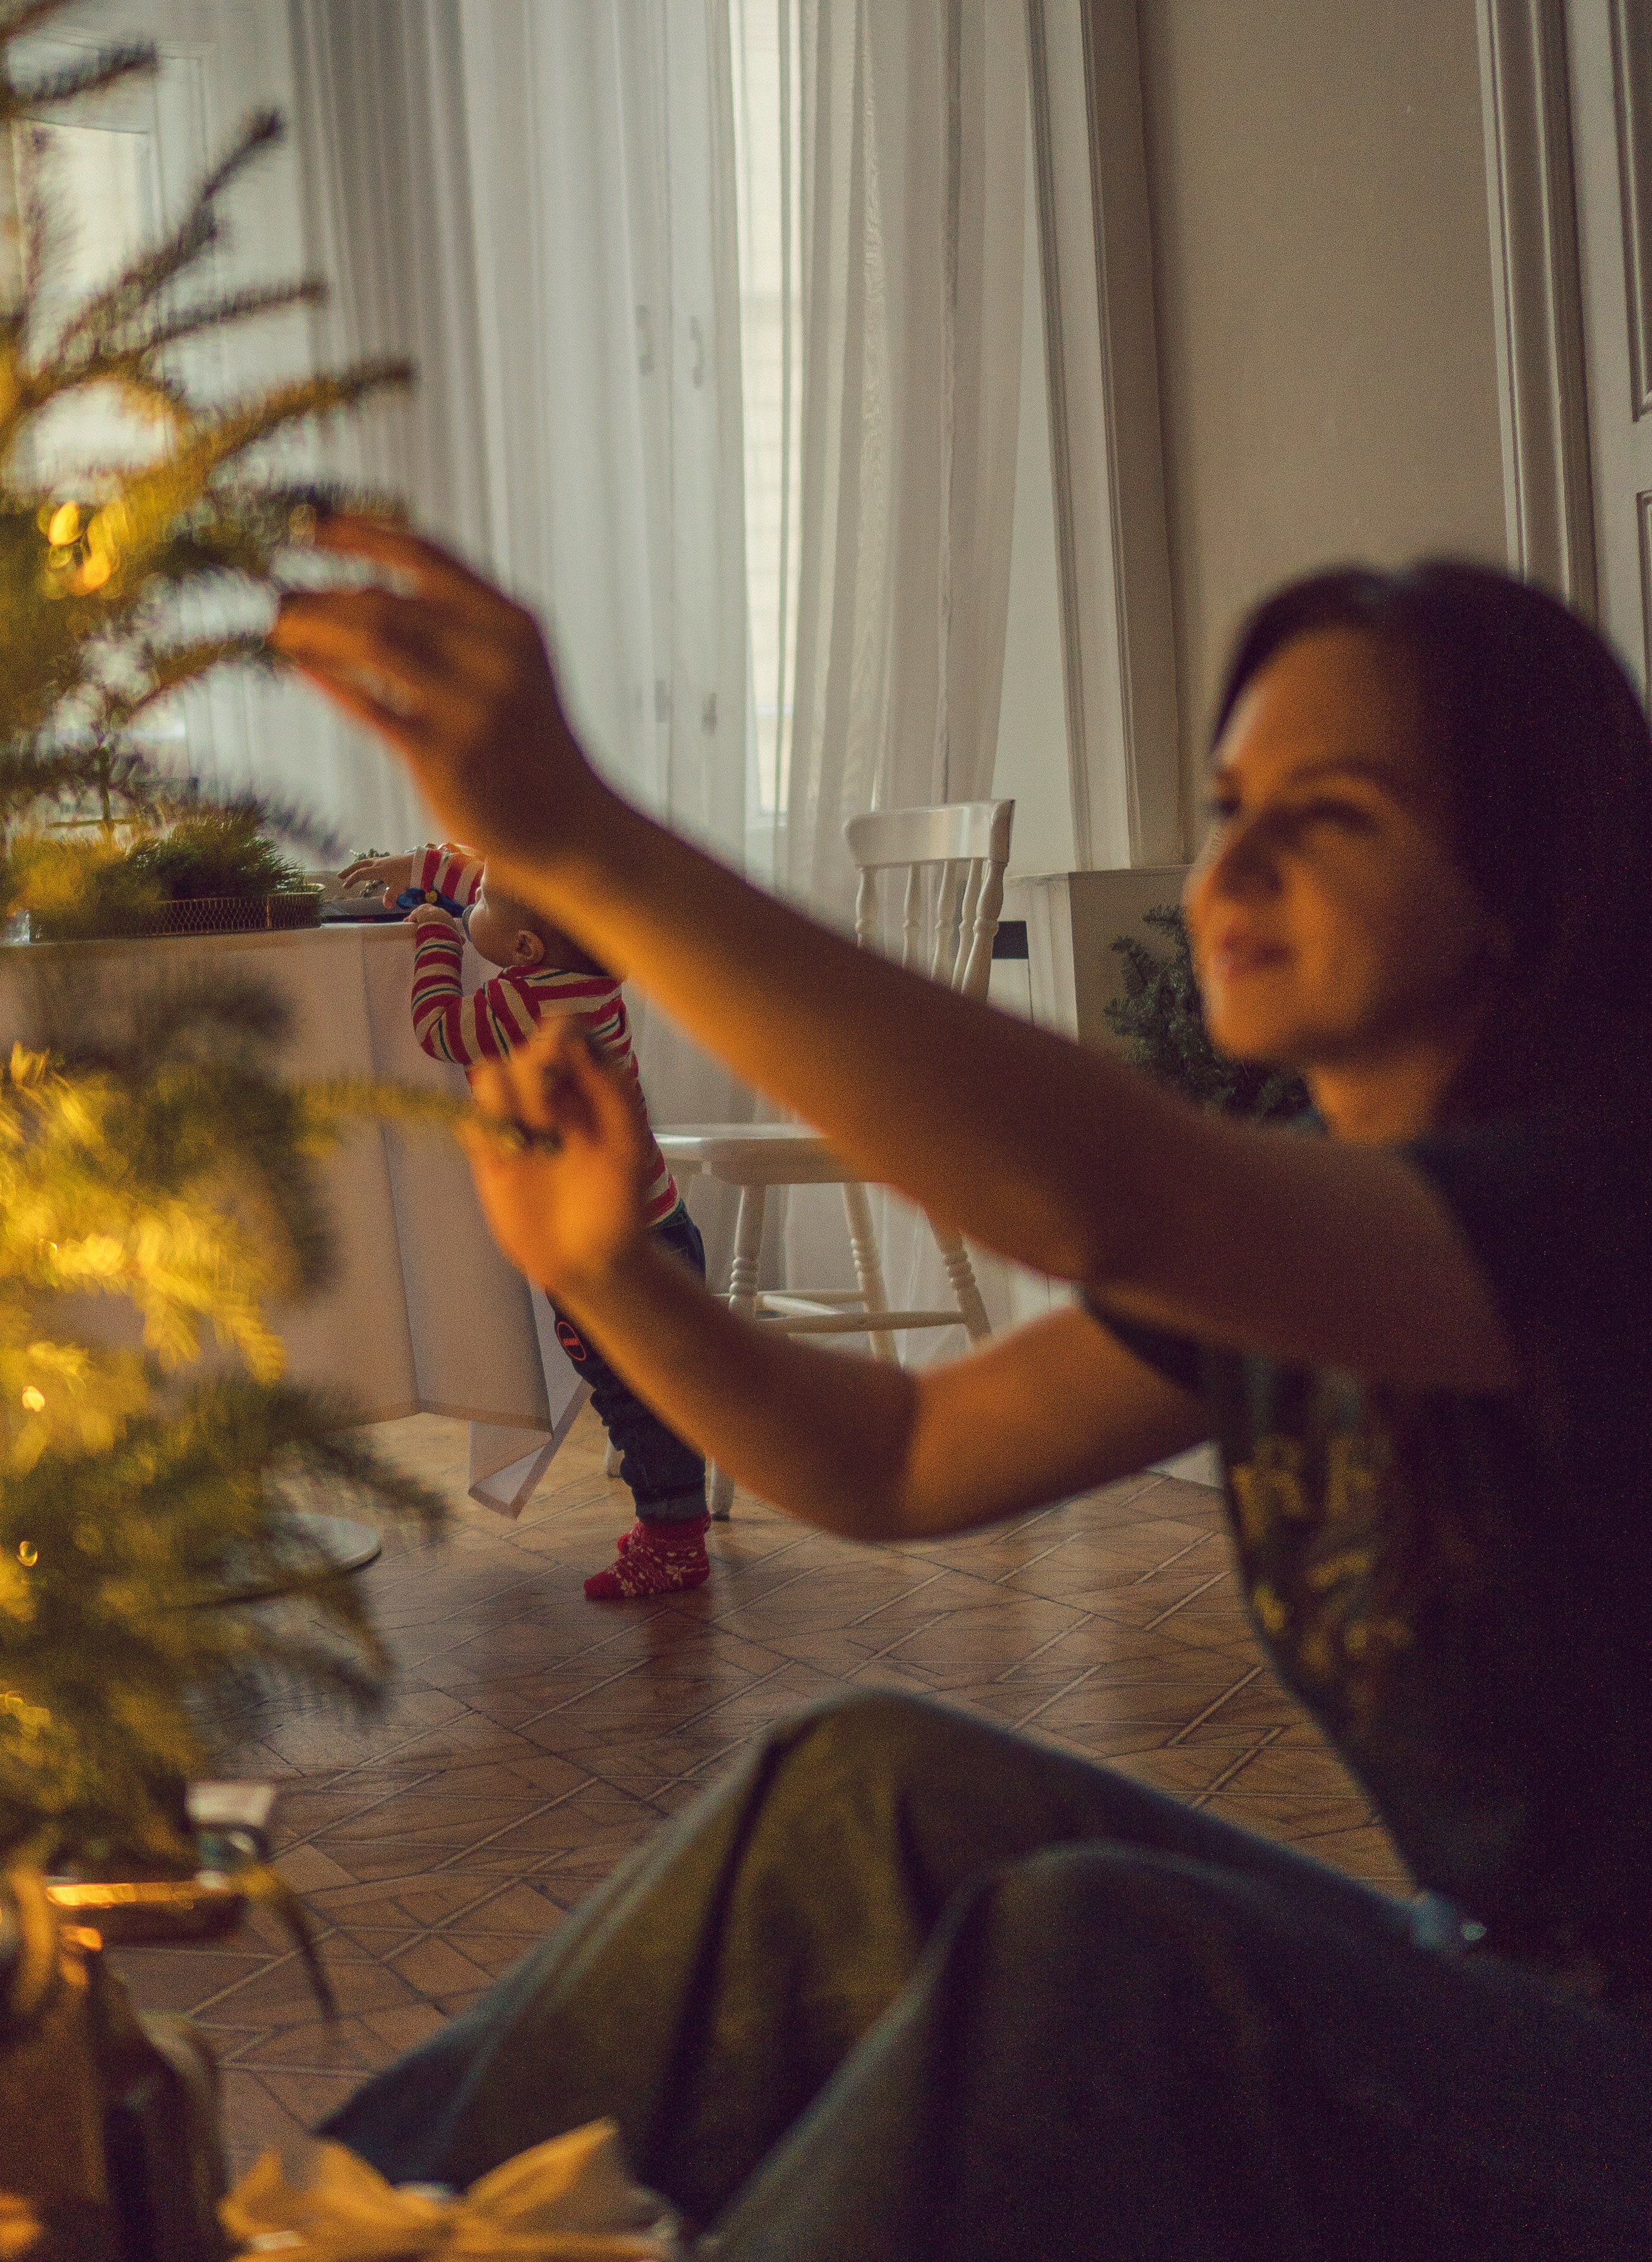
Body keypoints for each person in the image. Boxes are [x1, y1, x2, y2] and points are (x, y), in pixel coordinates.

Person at [274, 532, 1652, 2259]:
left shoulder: (1600, 1192)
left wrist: (584, 845)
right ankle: (293, 2234)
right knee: (871, 1786)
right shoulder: (1304, 1216)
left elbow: (1115, 1201)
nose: (1235, 868)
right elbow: (901, 1456)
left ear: (1528, 878)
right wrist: (607, 1275)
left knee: (1110, 1951)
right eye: (1232, 807)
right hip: (1492, 2008)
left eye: (1336, 813)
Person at [341, 836, 714, 1599]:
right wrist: (423, 874)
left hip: (610, 1250)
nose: (471, 902)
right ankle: (669, 1525)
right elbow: (494, 882)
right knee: (649, 1391)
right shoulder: (580, 971)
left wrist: (437, 933)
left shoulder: (530, 999)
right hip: (652, 1227)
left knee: (636, 1400)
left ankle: (675, 1541)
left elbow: (441, 1030)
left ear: (524, 948)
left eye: (481, 911)